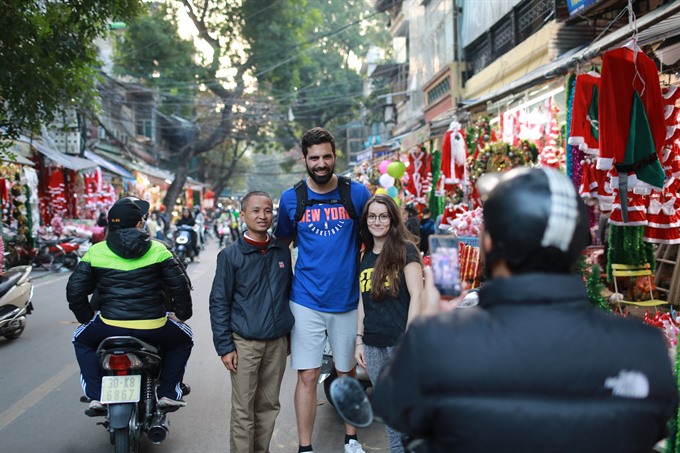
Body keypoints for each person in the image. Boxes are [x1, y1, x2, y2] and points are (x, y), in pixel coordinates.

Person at [370, 167, 678, 452]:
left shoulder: (439, 346)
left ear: (488, 244)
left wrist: (426, 325)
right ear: (580, 247)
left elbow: (393, 405)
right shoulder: (643, 350)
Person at [275, 127, 371, 453]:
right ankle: (305, 448)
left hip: (347, 300)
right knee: (307, 375)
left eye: (326, 156)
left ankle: (352, 441)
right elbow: (281, 246)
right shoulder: (292, 198)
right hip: (305, 300)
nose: (321, 163)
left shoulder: (357, 193)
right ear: (304, 159)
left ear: (335, 156)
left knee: (347, 373)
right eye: (314, 157)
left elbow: (375, 237)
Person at [66, 196, 193, 411]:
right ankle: (169, 393)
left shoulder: (96, 251)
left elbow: (75, 290)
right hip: (154, 326)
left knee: (80, 340)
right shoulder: (158, 250)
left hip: (109, 325)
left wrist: (86, 317)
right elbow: (179, 287)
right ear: (140, 223)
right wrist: (181, 315)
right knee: (183, 339)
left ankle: (96, 396)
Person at [209, 191, 295, 453]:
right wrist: (225, 347)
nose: (262, 216)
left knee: (269, 406)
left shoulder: (281, 250)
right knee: (243, 409)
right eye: (256, 210)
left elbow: (288, 293)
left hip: (277, 343)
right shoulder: (230, 255)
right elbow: (219, 302)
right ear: (243, 214)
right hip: (244, 344)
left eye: (267, 210)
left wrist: (288, 336)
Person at [355, 194, 422, 452]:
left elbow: (417, 295)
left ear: (393, 219)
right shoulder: (364, 256)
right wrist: (359, 340)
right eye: (372, 216)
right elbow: (363, 302)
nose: (377, 221)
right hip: (373, 345)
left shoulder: (406, 250)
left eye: (383, 216)